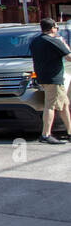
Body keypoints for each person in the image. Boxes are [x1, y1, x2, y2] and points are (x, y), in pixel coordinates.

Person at [30, 17, 71, 145]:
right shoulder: (54, 41)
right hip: (54, 78)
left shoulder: (35, 41)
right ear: (53, 27)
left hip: (43, 76)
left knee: (64, 105)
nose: (57, 29)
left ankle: (70, 132)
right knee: (51, 105)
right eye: (56, 27)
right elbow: (69, 57)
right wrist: (64, 43)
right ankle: (46, 134)